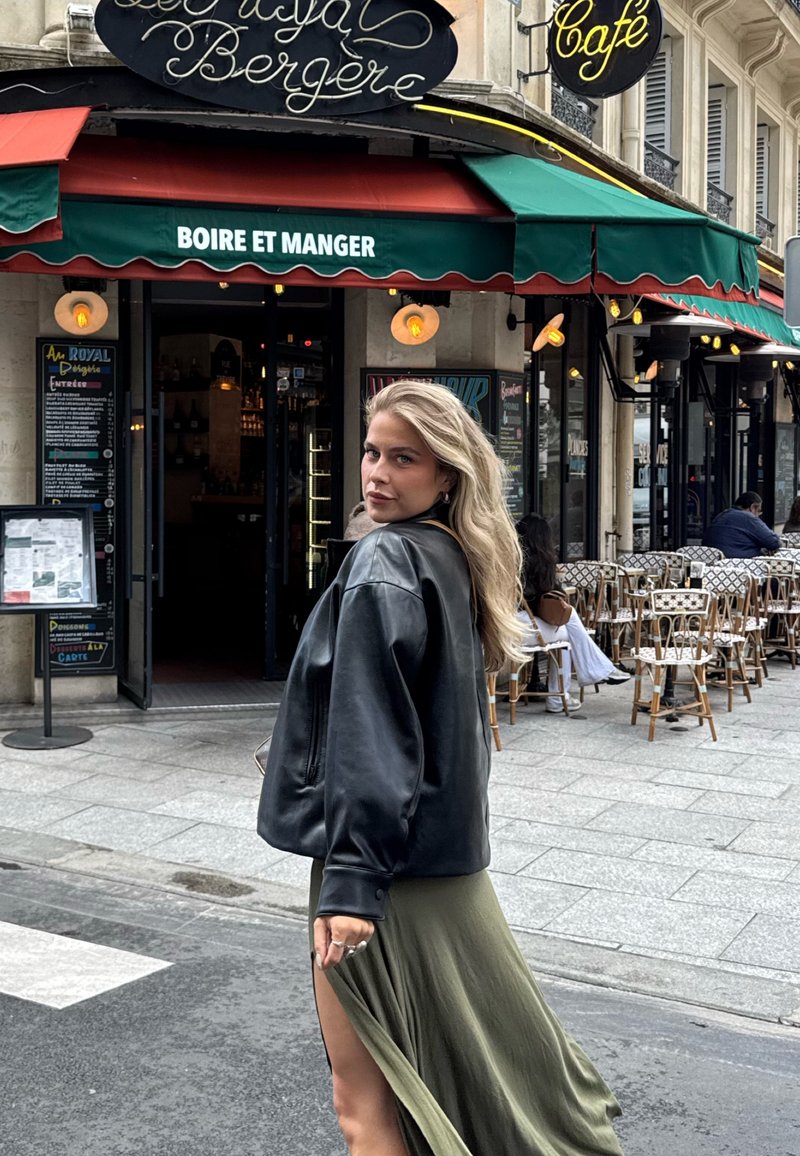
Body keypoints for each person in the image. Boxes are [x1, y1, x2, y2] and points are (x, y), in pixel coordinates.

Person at [257, 380, 624, 1156]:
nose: (377, 473)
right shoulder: (450, 554)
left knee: (365, 1105)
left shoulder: (385, 559)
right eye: (371, 453)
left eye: (405, 458)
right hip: (441, 868)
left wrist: (352, 883)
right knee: (455, 1089)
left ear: (447, 474)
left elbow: (373, 731)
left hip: (381, 872)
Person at [516, 512, 630, 714]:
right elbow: (541, 598)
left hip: (506, 624)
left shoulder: (512, 560)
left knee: (568, 622)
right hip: (522, 626)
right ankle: (562, 695)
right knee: (567, 633)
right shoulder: (538, 563)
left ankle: (597, 671)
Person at [703, 491, 780, 557]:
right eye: (759, 511)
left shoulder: (721, 516)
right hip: (737, 563)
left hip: (714, 562)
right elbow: (774, 542)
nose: (758, 516)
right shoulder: (748, 518)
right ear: (752, 507)